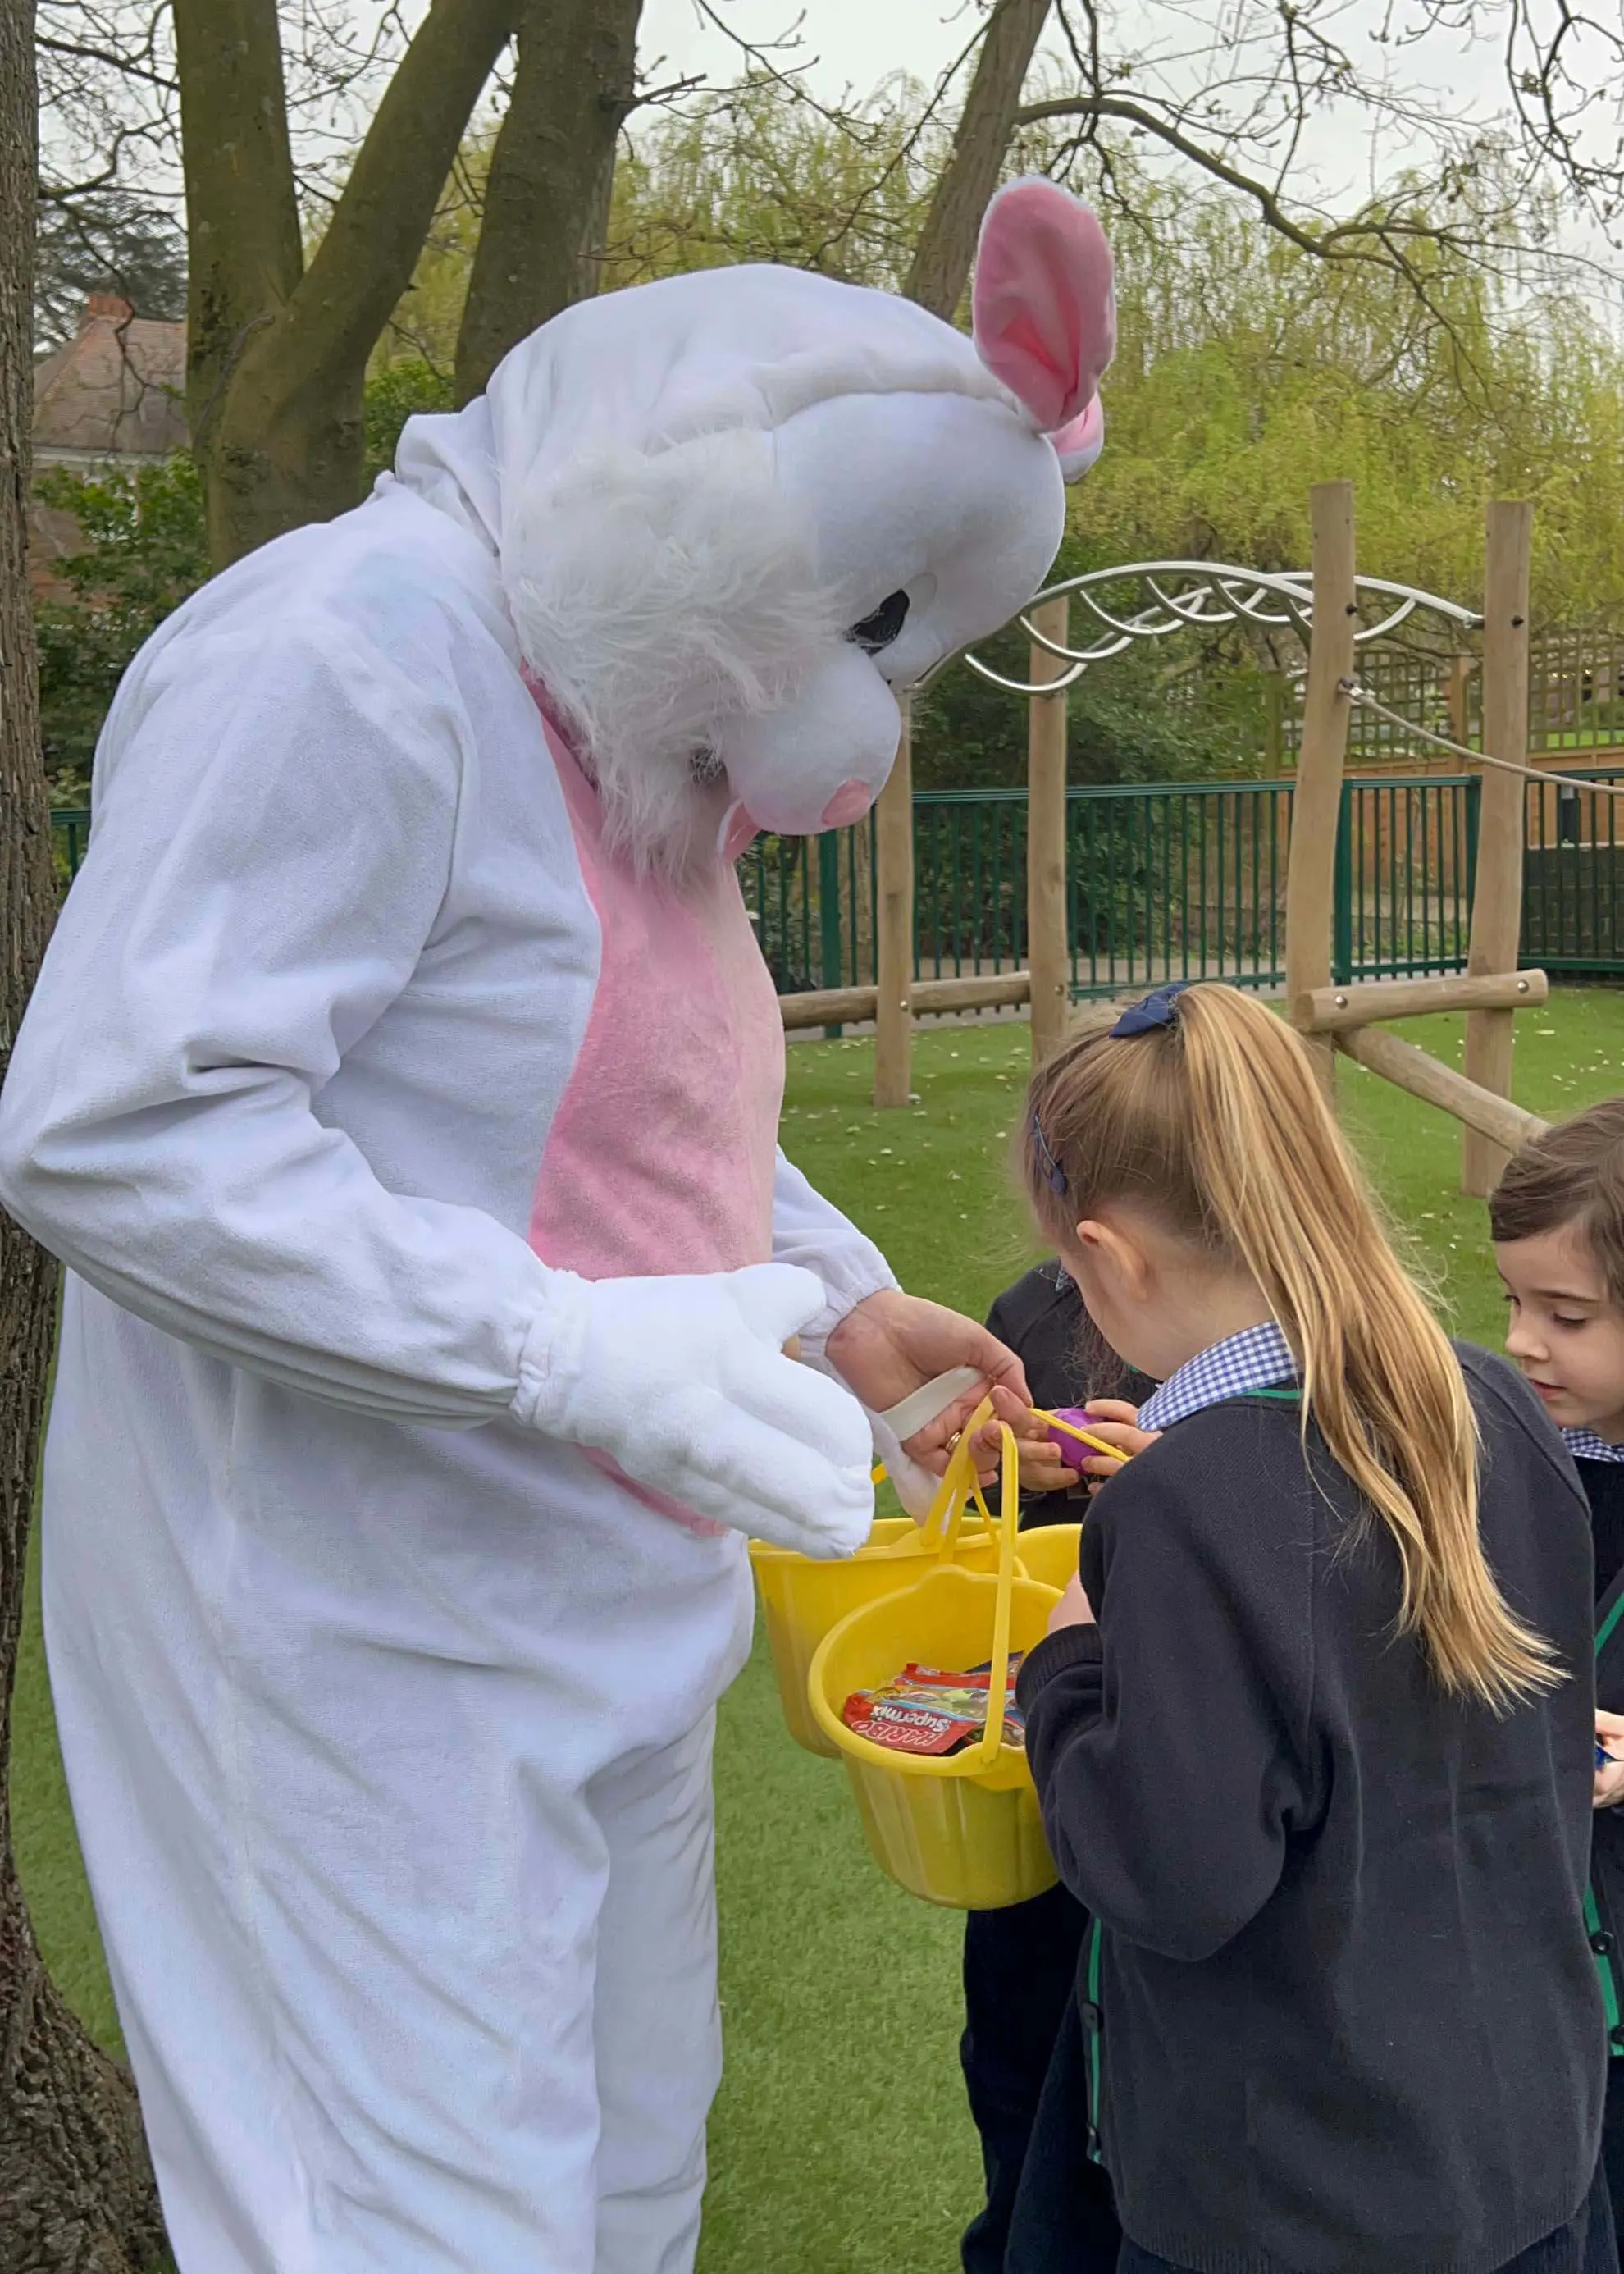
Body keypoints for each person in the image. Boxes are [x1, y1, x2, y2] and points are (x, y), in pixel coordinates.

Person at [0, 182, 1117, 2274]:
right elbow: (115, 1127)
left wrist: (828, 1301)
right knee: (413, 2232)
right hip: (354, 1637)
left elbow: (625, 1094)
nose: (865, 724)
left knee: (620, 2197)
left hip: (605, 1614)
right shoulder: (349, 651)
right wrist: (575, 1353)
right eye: (867, 628)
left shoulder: (629, 699)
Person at [1001, 981, 1612, 2274]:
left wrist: (1067, 1660)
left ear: (1105, 1256)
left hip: (1292, 2198)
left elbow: (1174, 1877)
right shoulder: (1495, 1406)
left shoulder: (1183, 1507)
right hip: (1526, 2155)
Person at [959, 1261, 1150, 2274]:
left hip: (1178, 1791)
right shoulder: (1037, 1314)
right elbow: (989, 1539)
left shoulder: (1316, 1323)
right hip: (1045, 1802)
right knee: (1021, 2072)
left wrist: (1167, 1479)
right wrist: (1007, 1470)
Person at [1493, 1100, 1624, 2249]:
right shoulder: (1507, 1458)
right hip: (1531, 1979)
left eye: (1566, 1314)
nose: (1523, 1341)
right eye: (1513, 1305)